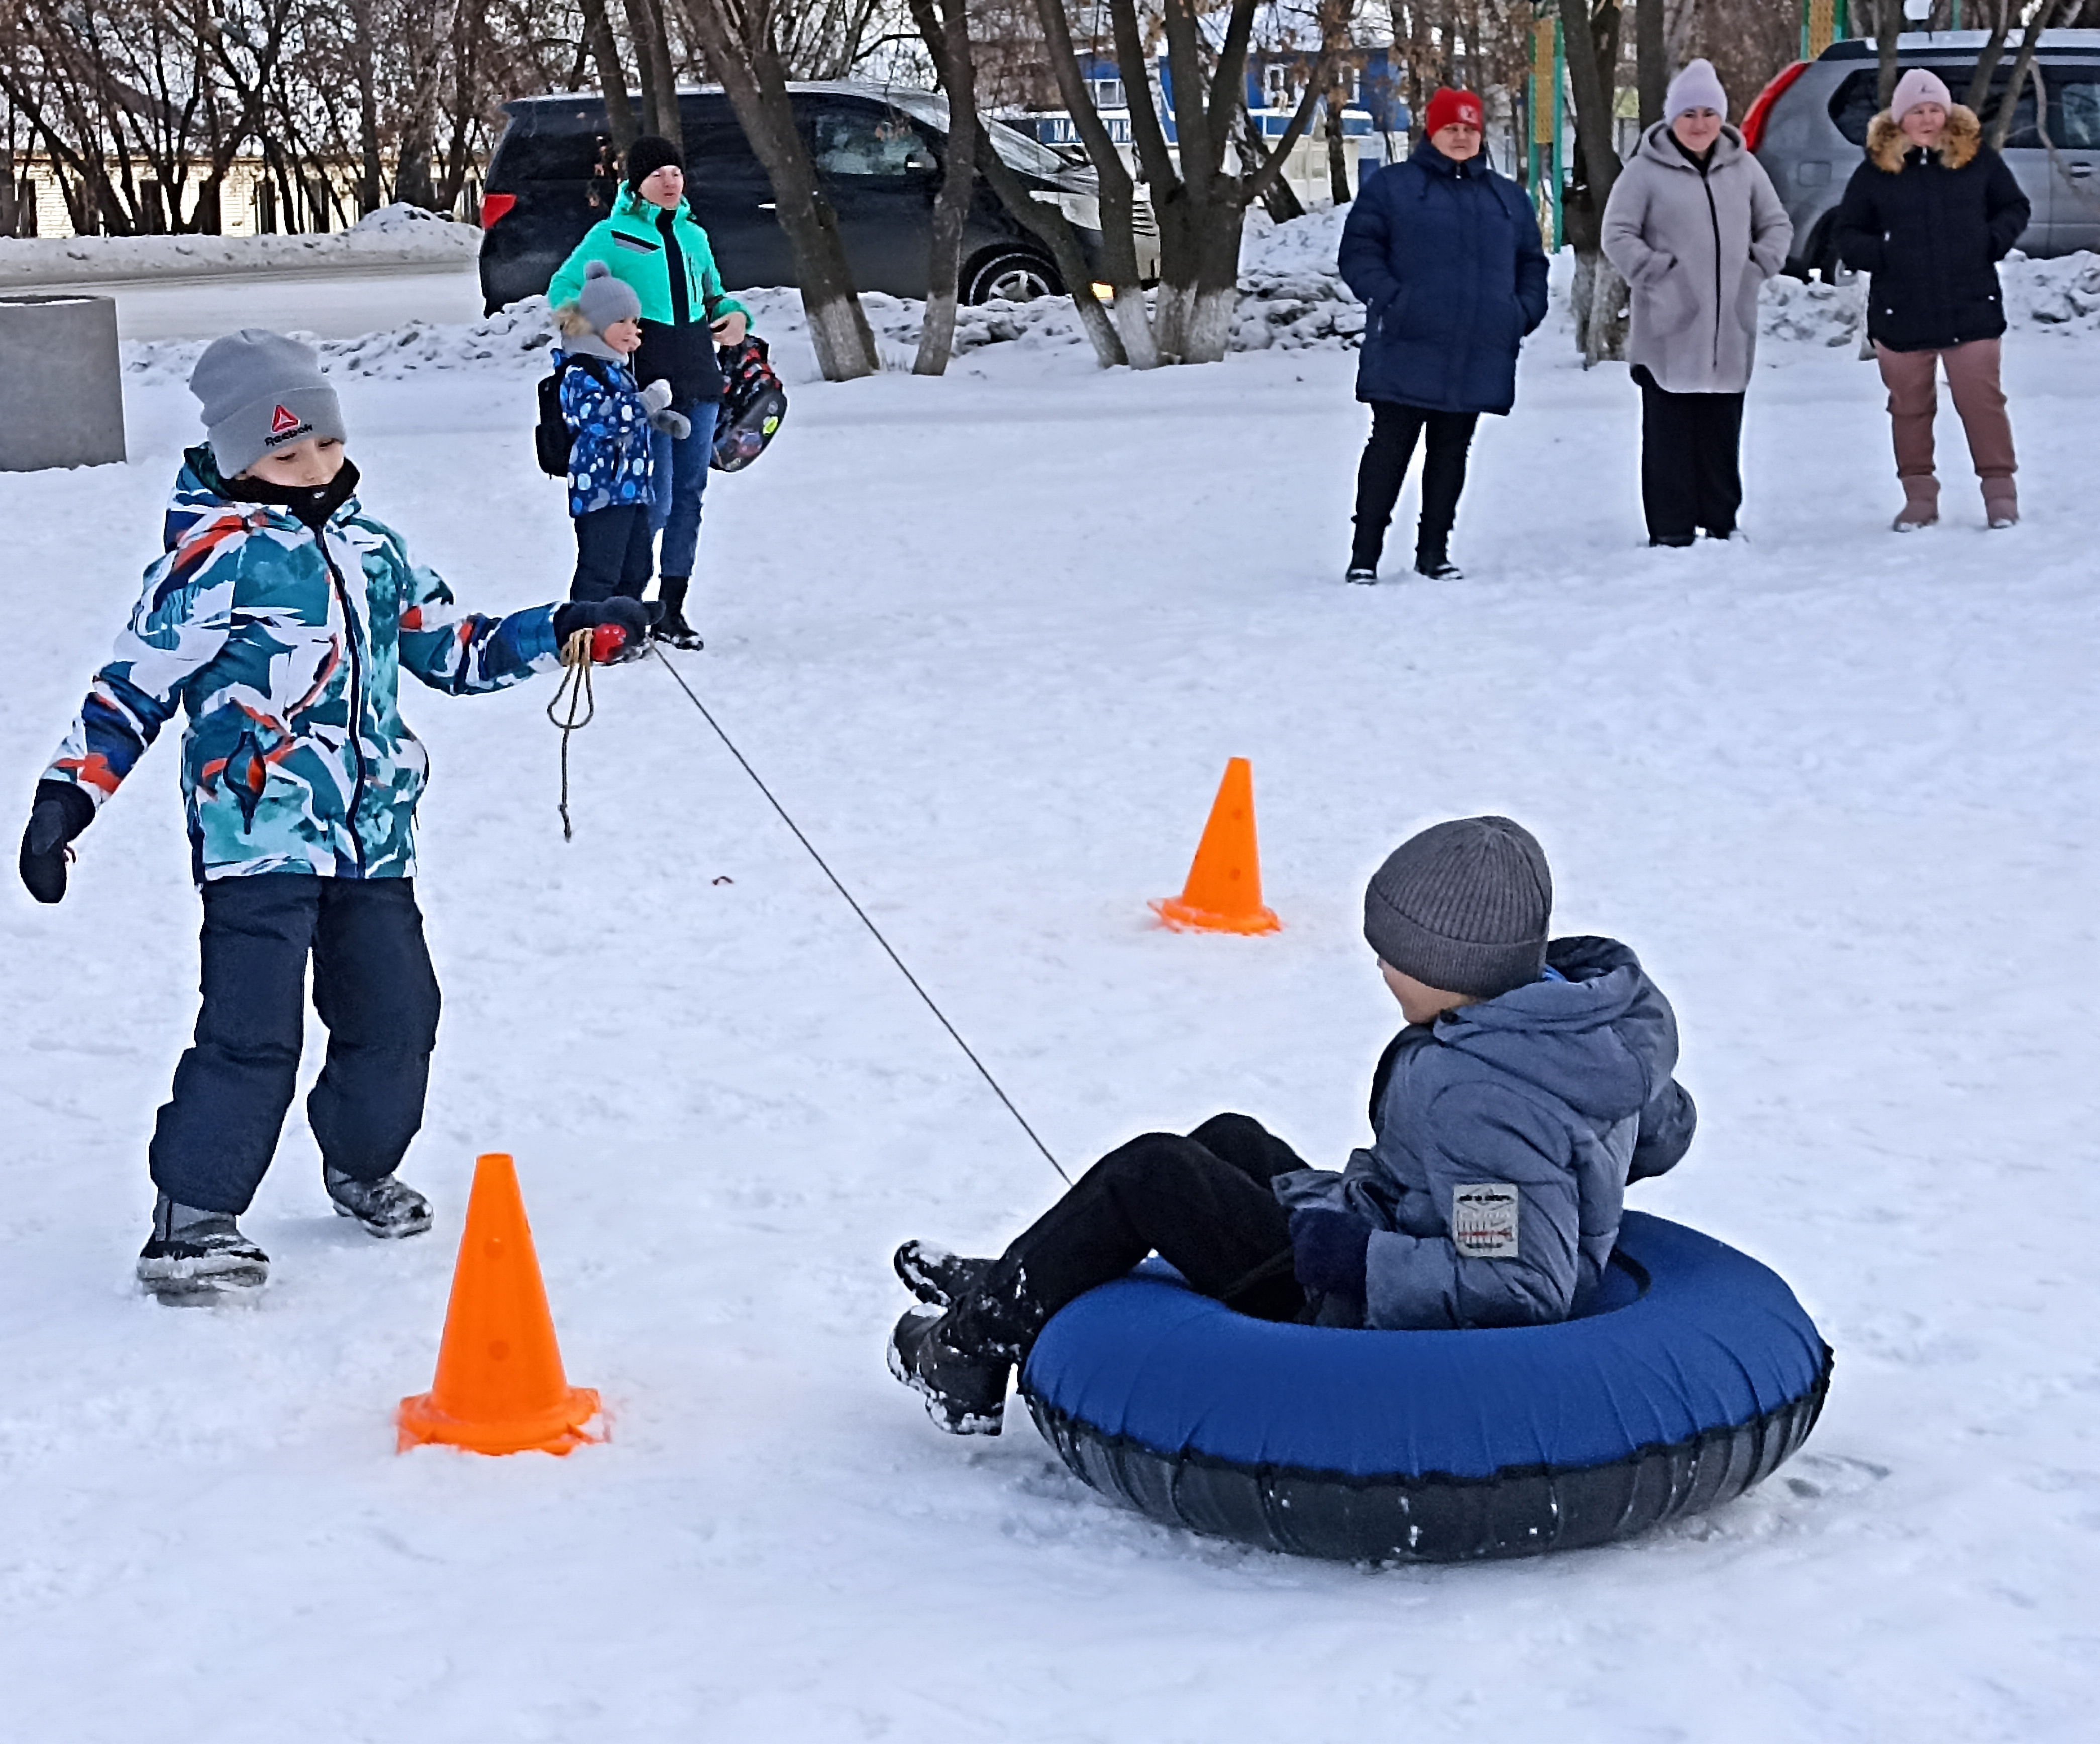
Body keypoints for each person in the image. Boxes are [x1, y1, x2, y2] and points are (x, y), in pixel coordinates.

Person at [17, 330, 650, 1304]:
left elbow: (455, 650)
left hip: (373, 836)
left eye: (324, 444)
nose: (312, 466)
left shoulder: (372, 549)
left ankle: (359, 1162)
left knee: (397, 1014)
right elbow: (132, 689)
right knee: (252, 1029)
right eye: (284, 452)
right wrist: (69, 796)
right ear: (238, 459)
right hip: (257, 835)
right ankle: (192, 1219)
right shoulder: (214, 562)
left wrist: (561, 629)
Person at [887, 817, 1697, 1435]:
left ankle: (970, 1352)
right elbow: (1654, 1130)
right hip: (1389, 1221)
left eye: (1394, 957)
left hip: (1355, 1307)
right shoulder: (1568, 1038)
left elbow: (1517, 1287)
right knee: (1232, 1137)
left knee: (1154, 1174)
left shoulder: (1482, 1096)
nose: (1380, 967)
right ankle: (1020, 1283)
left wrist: (1360, 1258)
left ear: (1455, 970)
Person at [1337, 88, 1550, 585]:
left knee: (1451, 453)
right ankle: (1364, 553)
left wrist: (1520, 313)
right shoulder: (1393, 188)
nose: (1460, 136)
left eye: (1469, 129)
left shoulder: (1506, 198)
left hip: (1477, 348)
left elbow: (1530, 263)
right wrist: (1394, 300)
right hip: (1407, 343)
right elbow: (1359, 252)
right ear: (1431, 131)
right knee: (1389, 450)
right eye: (1451, 127)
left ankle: (1434, 551)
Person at [549, 135, 751, 647]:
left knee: (690, 497)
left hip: (700, 377)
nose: (669, 181)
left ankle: (673, 607)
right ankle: (627, 602)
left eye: (676, 173)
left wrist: (734, 316)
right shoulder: (611, 235)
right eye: (657, 173)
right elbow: (563, 292)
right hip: (646, 387)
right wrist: (596, 336)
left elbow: (717, 294)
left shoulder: (695, 236)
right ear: (635, 183)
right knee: (654, 502)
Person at [1602, 59, 1793, 547]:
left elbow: (1776, 225)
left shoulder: (1745, 169)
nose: (1700, 123)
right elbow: (1616, 233)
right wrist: (1655, 272)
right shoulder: (1644, 172)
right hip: (1668, 327)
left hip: (1729, 326)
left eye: (1709, 113)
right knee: (1670, 436)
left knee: (1721, 432)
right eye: (1689, 114)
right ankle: (1671, 528)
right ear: (1671, 118)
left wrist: (1756, 266)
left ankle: (1721, 521)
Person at [1832, 68, 2030, 530]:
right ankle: (1919, 497)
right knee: (1909, 409)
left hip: (1972, 307)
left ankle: (2000, 494)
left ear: (1948, 114)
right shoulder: (1875, 171)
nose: (1927, 118)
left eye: (1934, 109)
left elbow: (2014, 207)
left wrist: (1991, 240)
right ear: (1900, 118)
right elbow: (1847, 232)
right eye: (1917, 111)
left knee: (1982, 403)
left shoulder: (1977, 161)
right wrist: (1882, 255)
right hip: (1900, 313)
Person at [555, 260, 691, 603]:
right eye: (621, 322)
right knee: (601, 569)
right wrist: (646, 402)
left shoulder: (616, 370)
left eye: (635, 322)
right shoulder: (580, 371)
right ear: (597, 325)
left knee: (637, 568)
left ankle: (621, 629)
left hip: (632, 487)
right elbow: (600, 419)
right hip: (601, 489)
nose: (633, 330)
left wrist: (659, 418)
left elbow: (627, 416)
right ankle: (585, 633)